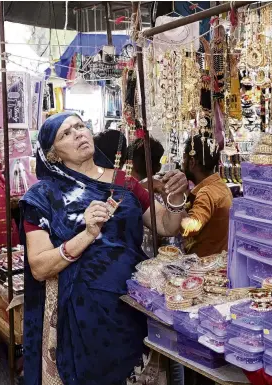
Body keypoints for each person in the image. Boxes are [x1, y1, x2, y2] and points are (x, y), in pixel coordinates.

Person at [20, 112, 188, 385]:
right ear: (52, 154)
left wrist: (177, 196)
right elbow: (39, 267)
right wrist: (86, 235)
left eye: (79, 126)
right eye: (65, 133)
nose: (78, 133)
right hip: (84, 313)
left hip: (133, 303)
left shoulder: (124, 182)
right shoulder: (43, 196)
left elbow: (167, 226)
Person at [181, 134, 232, 257]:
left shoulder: (207, 193)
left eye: (184, 159)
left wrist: (175, 201)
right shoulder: (219, 185)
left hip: (205, 266)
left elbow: (189, 228)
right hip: (218, 260)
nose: (182, 164)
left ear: (192, 162)